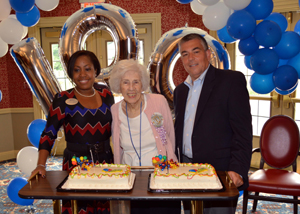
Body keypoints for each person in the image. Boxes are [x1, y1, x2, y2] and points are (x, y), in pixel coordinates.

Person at [173, 34, 252, 214]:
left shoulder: (231, 81)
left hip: (220, 172)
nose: (190, 58)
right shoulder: (180, 91)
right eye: (184, 54)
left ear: (208, 54)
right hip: (186, 170)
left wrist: (238, 169)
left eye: (196, 51)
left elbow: (243, 131)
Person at [31, 50, 114, 214]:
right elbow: (49, 134)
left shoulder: (106, 94)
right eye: (77, 70)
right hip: (76, 164)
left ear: (96, 70)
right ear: (71, 74)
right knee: (79, 208)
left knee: (106, 207)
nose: (82, 74)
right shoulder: (62, 99)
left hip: (106, 162)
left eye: (87, 68)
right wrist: (40, 164)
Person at [109, 59, 180, 214]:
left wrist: (168, 161)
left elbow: (168, 135)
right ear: (118, 85)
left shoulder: (158, 102)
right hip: (132, 180)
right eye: (126, 82)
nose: (131, 88)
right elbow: (118, 148)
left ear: (142, 84)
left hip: (161, 176)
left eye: (136, 82)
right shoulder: (115, 110)